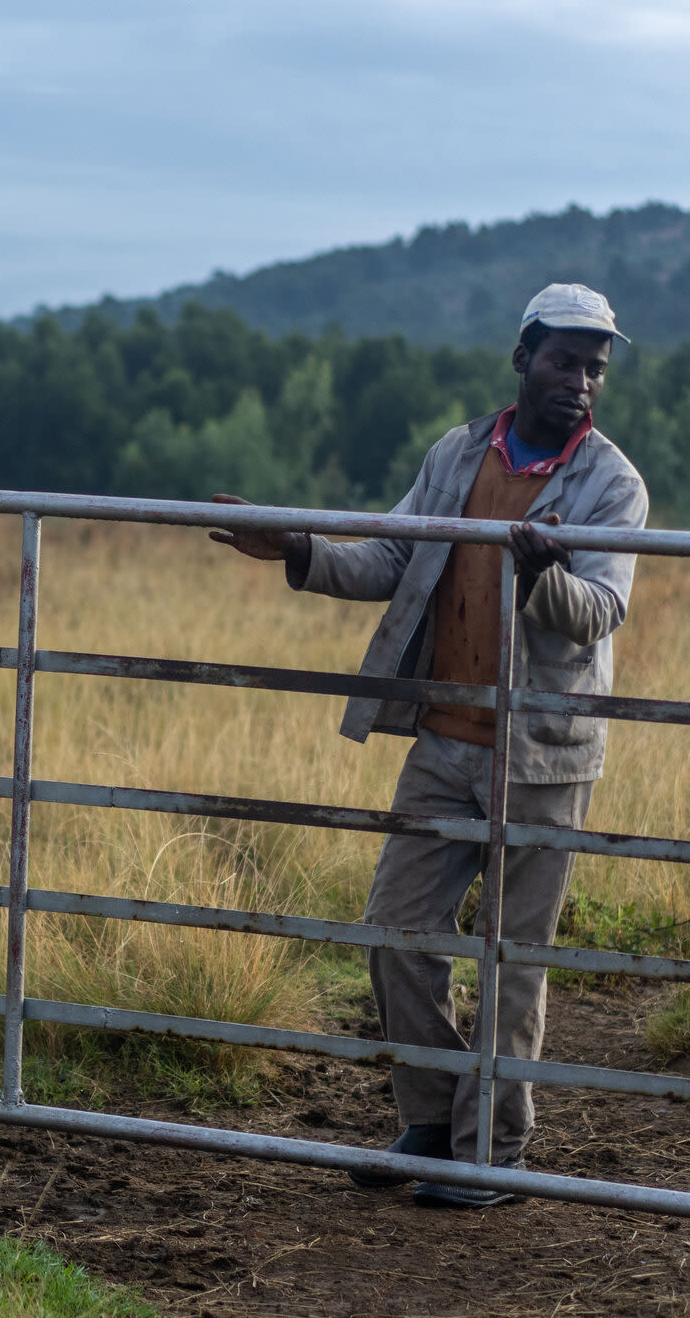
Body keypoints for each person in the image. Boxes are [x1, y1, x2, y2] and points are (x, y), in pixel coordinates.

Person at [212, 283, 648, 1206]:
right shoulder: (456, 453)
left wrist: (542, 576)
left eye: (594, 368)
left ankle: (490, 1149)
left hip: (545, 752)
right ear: (522, 356)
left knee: (511, 954)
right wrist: (296, 547)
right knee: (396, 928)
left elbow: (600, 613)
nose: (579, 381)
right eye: (564, 360)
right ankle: (434, 1115)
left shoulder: (612, 482)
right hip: (446, 735)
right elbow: (395, 558)